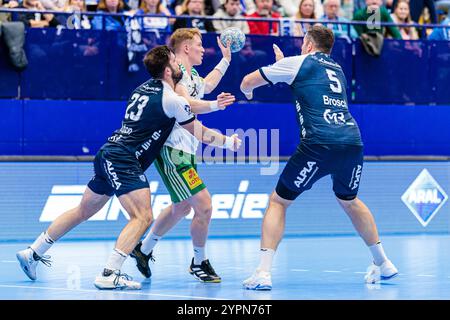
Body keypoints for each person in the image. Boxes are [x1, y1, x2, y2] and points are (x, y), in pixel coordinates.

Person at [16, 45, 241, 290]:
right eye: (176, 63)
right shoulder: (172, 100)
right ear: (167, 71)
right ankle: (109, 273)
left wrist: (212, 105)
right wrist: (229, 142)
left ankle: (34, 251)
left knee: (83, 210)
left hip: (108, 151)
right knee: (143, 217)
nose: (179, 66)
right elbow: (200, 132)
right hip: (125, 158)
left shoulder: (141, 89)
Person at [239, 25, 398, 290]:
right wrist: (284, 70)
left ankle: (262, 273)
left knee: (278, 202)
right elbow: (306, 83)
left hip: (319, 143)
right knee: (349, 200)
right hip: (352, 142)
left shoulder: (298, 62)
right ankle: (384, 263)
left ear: (309, 45)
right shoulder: (337, 69)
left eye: (303, 44)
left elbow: (247, 81)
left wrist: (251, 91)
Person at [129, 28, 236, 283]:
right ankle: (199, 262)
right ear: (186, 48)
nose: (202, 49)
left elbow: (207, 85)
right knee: (205, 206)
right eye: (199, 44)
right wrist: (214, 106)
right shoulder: (176, 76)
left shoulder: (192, 74)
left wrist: (226, 60)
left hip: (186, 150)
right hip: (172, 151)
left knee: (182, 207)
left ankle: (143, 250)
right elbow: (187, 103)